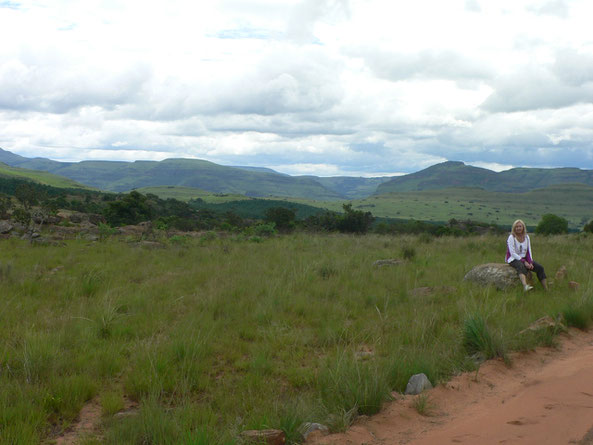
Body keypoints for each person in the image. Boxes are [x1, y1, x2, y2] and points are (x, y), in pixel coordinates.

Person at [506, 219, 548, 291]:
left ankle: (545, 288)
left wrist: (530, 262)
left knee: (540, 268)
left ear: (523, 227)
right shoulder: (511, 237)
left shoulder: (526, 237)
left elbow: (528, 251)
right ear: (514, 228)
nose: (518, 228)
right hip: (513, 258)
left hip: (524, 258)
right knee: (521, 266)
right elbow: (512, 253)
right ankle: (525, 286)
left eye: (520, 226)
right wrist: (524, 261)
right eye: (516, 227)